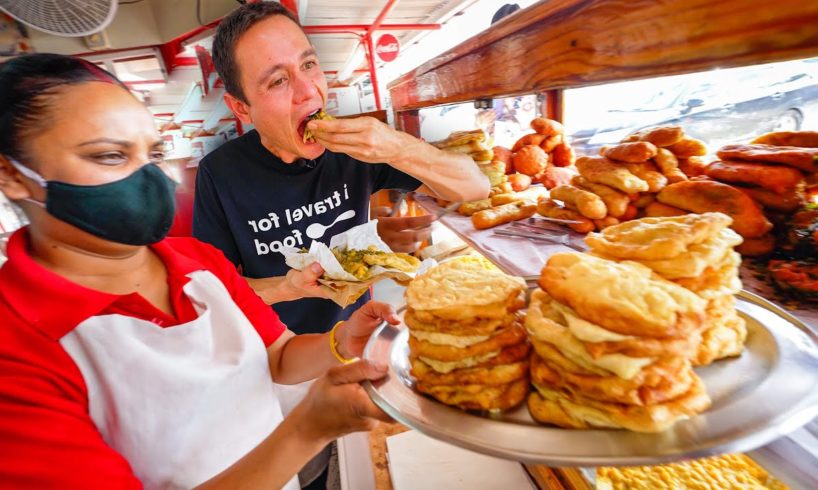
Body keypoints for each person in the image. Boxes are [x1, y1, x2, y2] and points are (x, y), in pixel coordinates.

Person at [0, 53, 397, 489]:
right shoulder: (16, 346)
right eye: (109, 156)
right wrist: (308, 429)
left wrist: (342, 341)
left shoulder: (197, 262)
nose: (147, 179)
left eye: (152, 153)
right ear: (11, 175)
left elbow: (278, 358)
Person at [193, 2, 490, 335]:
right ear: (241, 108)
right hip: (279, 353)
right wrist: (286, 288)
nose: (309, 91)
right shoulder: (219, 173)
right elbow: (213, 291)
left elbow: (475, 188)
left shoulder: (355, 149)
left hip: (360, 332)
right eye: (278, 81)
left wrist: (396, 146)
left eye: (309, 64)